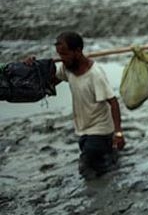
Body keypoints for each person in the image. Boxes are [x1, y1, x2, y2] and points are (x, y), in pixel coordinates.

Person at [25, 31, 125, 179]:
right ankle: (112, 159)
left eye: (65, 54)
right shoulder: (68, 69)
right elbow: (50, 82)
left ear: (78, 51)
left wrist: (118, 133)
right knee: (102, 167)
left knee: (85, 167)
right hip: (83, 130)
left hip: (100, 130)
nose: (62, 59)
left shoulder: (95, 74)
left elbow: (113, 102)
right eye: (59, 55)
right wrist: (34, 67)